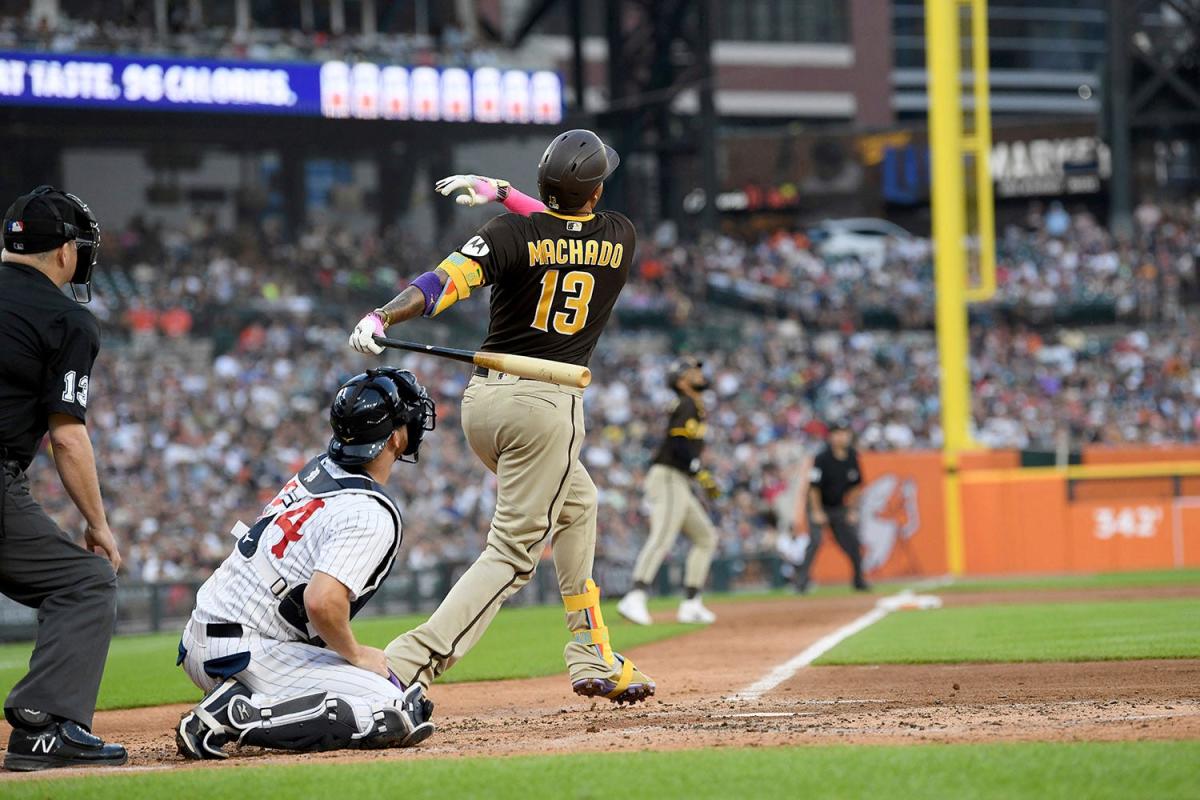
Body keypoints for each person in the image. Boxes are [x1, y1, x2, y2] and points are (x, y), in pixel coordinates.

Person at [349, 129, 655, 706]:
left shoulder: (511, 232)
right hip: (548, 406)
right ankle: (407, 665)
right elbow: (565, 229)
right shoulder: (620, 235)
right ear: (594, 192)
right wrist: (502, 192)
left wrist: (382, 316)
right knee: (513, 554)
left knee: (579, 503)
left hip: (485, 406)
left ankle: (591, 647)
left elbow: (442, 284)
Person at [174, 368, 437, 759]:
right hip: (245, 648)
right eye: (405, 420)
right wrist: (357, 653)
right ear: (395, 438)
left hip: (213, 630)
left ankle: (242, 698)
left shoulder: (319, 470)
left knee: (394, 695)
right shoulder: (370, 512)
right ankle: (231, 714)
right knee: (394, 710)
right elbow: (322, 601)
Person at [0, 186, 127, 772]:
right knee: (84, 582)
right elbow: (67, 436)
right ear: (65, 254)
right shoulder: (65, 317)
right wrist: (97, 524)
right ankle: (45, 727)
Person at [617, 356, 720, 625]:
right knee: (662, 536)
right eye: (693, 370)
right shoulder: (686, 403)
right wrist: (700, 471)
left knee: (706, 537)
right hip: (668, 476)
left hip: (679, 480)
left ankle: (691, 602)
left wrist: (698, 474)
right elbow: (677, 442)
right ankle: (635, 595)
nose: (699, 374)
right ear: (681, 379)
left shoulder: (693, 404)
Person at [797, 421, 869, 592]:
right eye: (838, 434)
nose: (842, 437)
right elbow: (813, 487)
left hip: (838, 506)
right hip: (818, 504)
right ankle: (801, 583)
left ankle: (859, 581)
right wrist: (816, 511)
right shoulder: (822, 458)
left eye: (845, 433)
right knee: (815, 541)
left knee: (852, 542)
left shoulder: (852, 456)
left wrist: (852, 510)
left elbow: (856, 486)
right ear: (830, 437)